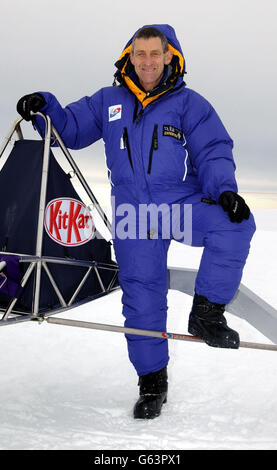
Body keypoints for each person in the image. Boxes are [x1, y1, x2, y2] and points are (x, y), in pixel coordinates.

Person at [16, 24, 256, 420]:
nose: (147, 62)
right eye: (139, 54)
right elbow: (70, 129)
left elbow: (213, 150)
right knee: (142, 299)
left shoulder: (190, 105)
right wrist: (45, 107)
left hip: (178, 205)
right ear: (131, 56)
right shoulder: (108, 101)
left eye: (154, 54)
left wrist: (224, 189)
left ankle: (207, 313)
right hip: (134, 216)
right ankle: (152, 383)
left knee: (235, 225)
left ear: (168, 56)